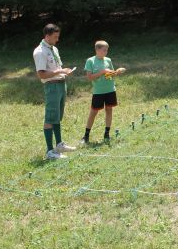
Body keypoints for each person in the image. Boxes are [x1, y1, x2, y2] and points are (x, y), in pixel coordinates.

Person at [32, 24, 76, 159]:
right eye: (55, 37)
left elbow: (56, 66)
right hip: (51, 86)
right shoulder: (40, 51)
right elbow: (42, 74)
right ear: (47, 36)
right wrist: (60, 71)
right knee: (50, 117)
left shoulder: (54, 49)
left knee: (57, 116)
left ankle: (59, 144)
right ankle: (50, 151)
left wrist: (64, 72)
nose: (57, 39)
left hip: (61, 84)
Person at [81, 41, 126, 144]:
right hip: (98, 92)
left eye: (107, 50)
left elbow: (111, 74)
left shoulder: (108, 60)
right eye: (104, 50)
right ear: (97, 50)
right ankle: (86, 136)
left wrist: (117, 72)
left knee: (109, 110)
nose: (106, 52)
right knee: (93, 113)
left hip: (110, 89)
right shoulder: (90, 61)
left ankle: (107, 134)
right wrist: (102, 72)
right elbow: (89, 77)